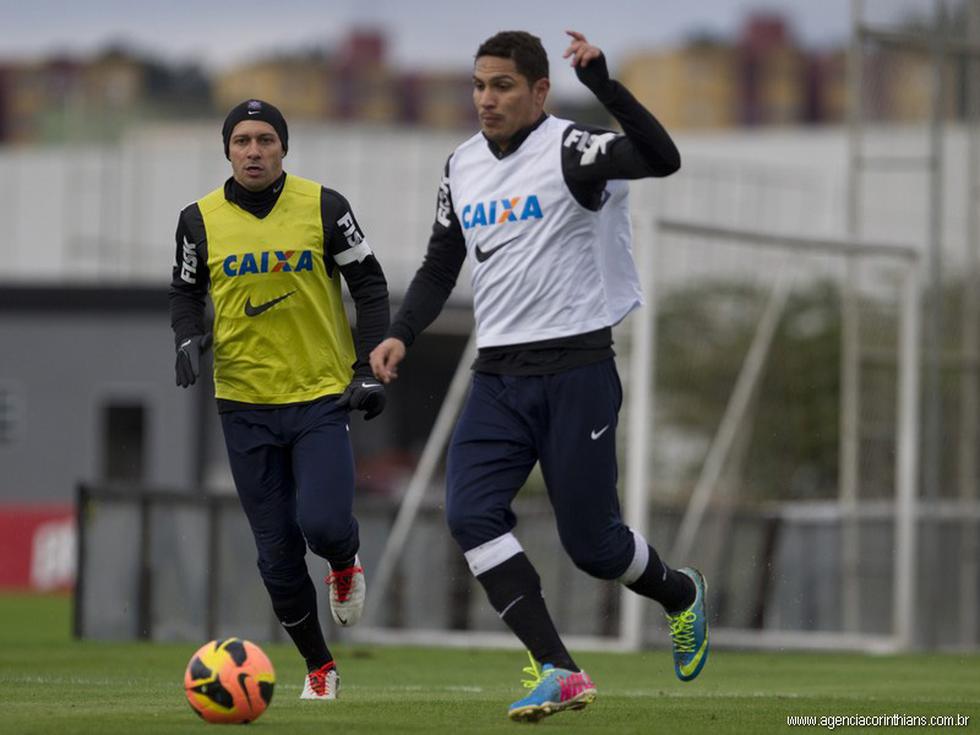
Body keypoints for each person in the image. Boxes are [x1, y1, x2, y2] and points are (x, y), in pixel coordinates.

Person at [370, 30, 708, 721]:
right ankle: (558, 667)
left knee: (594, 545)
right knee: (469, 514)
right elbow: (441, 265)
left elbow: (662, 158)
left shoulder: (572, 149)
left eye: (502, 86)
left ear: (539, 91)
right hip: (497, 375)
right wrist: (402, 332)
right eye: (478, 85)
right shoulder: (461, 164)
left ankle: (679, 593)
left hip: (576, 367)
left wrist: (607, 86)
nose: (486, 99)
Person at [169, 99, 389, 701]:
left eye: (266, 139)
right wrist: (187, 336)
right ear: (227, 150)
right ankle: (320, 667)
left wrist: (367, 367)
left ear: (283, 148)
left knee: (321, 524)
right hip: (242, 402)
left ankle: (344, 564)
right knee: (276, 554)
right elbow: (185, 292)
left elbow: (370, 284)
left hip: (319, 394)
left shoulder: (324, 207)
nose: (254, 150)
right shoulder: (199, 220)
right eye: (242, 140)